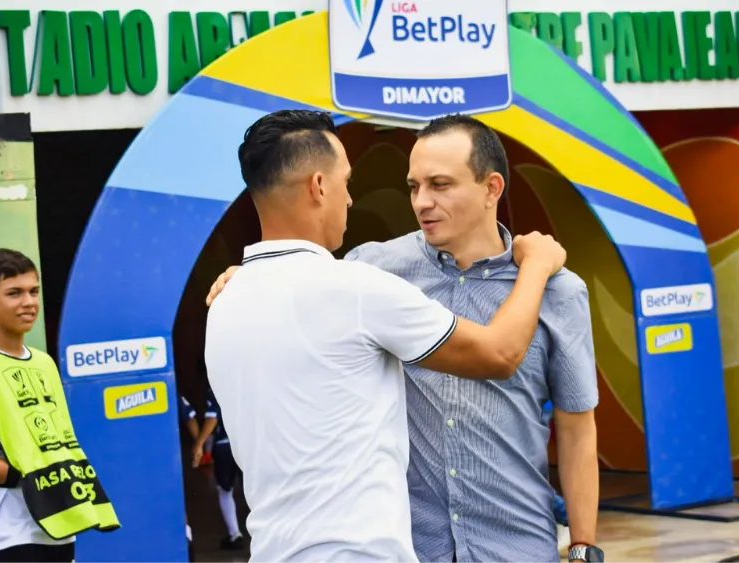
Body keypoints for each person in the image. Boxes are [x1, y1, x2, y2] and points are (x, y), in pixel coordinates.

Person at [206, 114, 601, 563]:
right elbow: (305, 282)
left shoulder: (559, 291)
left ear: (492, 188)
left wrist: (584, 548)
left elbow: (576, 427)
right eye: (415, 186)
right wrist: (256, 275)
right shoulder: (371, 274)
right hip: (417, 547)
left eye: (440, 184)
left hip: (516, 545)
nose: (422, 202)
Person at [0, 249, 120, 562]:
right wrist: (19, 477)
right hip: (5, 539)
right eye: (14, 293)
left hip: (60, 528)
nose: (29, 302)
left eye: (33, 291)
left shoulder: (45, 363)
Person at [181, 387, 243, 550]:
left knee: (225, 490)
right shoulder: (249, 380)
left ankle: (234, 535)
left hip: (225, 445)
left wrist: (199, 444)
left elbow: (212, 419)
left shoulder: (217, 385)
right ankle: (264, 533)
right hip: (250, 444)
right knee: (255, 490)